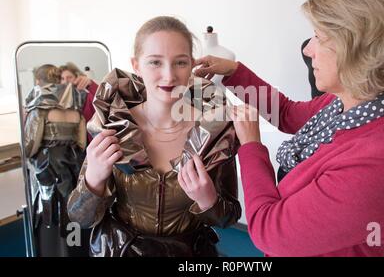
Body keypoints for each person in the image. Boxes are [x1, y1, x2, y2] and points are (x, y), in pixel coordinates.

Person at [192, 0, 384, 256]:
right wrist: (234, 73)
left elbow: (268, 232)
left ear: (359, 51)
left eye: (319, 37)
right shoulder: (358, 101)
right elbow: (288, 114)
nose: (307, 49)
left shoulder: (380, 164)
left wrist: (251, 147)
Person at [67, 16, 241, 257]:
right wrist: (93, 182)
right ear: (136, 65)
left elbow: (229, 216)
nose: (169, 76)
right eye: (155, 63)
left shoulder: (217, 132)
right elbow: (80, 219)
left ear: (191, 65)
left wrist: (208, 201)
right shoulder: (112, 127)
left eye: (180, 62)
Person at [24, 64, 89, 257]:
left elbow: (30, 147)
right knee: (75, 215)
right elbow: (81, 142)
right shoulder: (75, 106)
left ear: (38, 81)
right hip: (73, 168)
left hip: (48, 173)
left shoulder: (39, 108)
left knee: (51, 220)